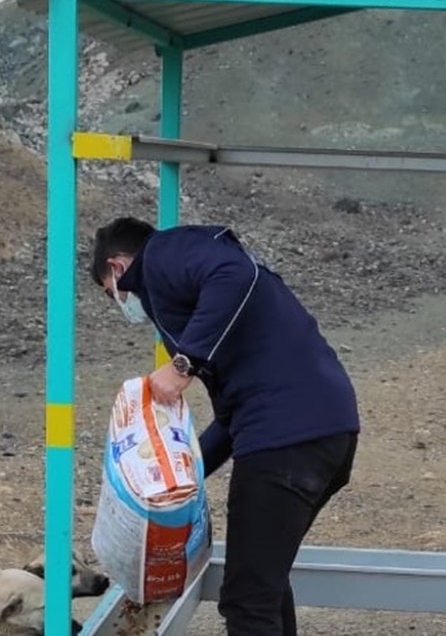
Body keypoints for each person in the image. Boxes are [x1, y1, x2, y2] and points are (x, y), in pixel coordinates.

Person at [90, 216, 361, 636]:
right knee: (263, 583)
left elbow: (234, 274)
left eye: (113, 293)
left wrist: (183, 364)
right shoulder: (185, 281)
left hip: (285, 439)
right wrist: (182, 474)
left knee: (247, 599)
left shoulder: (162, 255)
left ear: (118, 266)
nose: (123, 304)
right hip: (320, 430)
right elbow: (232, 416)